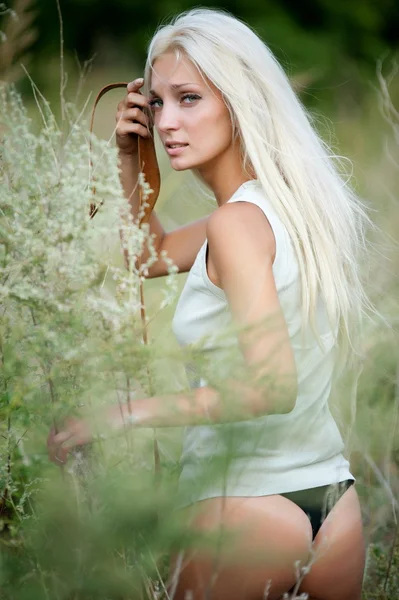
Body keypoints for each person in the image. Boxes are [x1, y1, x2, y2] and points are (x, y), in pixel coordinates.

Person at [48, 8, 369, 599]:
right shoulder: (289, 209)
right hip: (335, 508)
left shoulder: (236, 226)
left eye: (190, 98)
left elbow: (272, 386)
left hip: (246, 512)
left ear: (240, 101)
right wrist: (129, 158)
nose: (168, 121)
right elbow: (147, 256)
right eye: (158, 104)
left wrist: (122, 415)